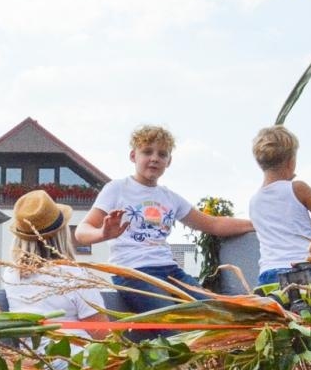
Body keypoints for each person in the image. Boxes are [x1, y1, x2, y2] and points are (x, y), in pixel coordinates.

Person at [75, 124, 253, 313]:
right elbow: (81, 232)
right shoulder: (117, 188)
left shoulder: (169, 197)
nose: (154, 158)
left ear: (169, 161)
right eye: (147, 152)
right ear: (133, 156)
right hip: (134, 272)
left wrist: (255, 224)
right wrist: (103, 233)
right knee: (170, 326)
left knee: (216, 310)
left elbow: (213, 224)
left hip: (170, 271)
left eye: (162, 154)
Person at [247, 125, 311, 287]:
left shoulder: (254, 201)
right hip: (302, 270)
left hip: (268, 274)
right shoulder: (298, 188)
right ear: (291, 162)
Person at [1, 190, 100, 325]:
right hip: (78, 346)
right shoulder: (75, 276)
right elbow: (103, 334)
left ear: (20, 239)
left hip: (31, 347)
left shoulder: (10, 275)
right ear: (62, 235)